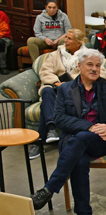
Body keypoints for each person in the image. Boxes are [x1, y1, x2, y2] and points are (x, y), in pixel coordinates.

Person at [30, 49, 106, 215]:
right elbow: (58, 119)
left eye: (98, 65)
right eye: (90, 65)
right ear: (79, 66)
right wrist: (88, 127)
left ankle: (49, 189)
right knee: (79, 160)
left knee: (80, 140)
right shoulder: (66, 89)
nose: (94, 69)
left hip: (102, 141)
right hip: (75, 141)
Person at [31, 29, 87, 158]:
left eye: (69, 39)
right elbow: (45, 71)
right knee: (46, 91)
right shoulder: (56, 54)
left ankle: (38, 142)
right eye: (66, 37)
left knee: (45, 105)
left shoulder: (88, 55)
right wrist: (56, 82)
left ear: (78, 43)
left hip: (74, 90)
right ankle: (51, 130)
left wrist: (70, 84)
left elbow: (97, 74)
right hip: (54, 87)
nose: (65, 41)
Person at [0, 9, 11, 75]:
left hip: (4, 37)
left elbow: (5, 31)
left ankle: (3, 66)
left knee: (0, 43)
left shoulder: (1, 14)